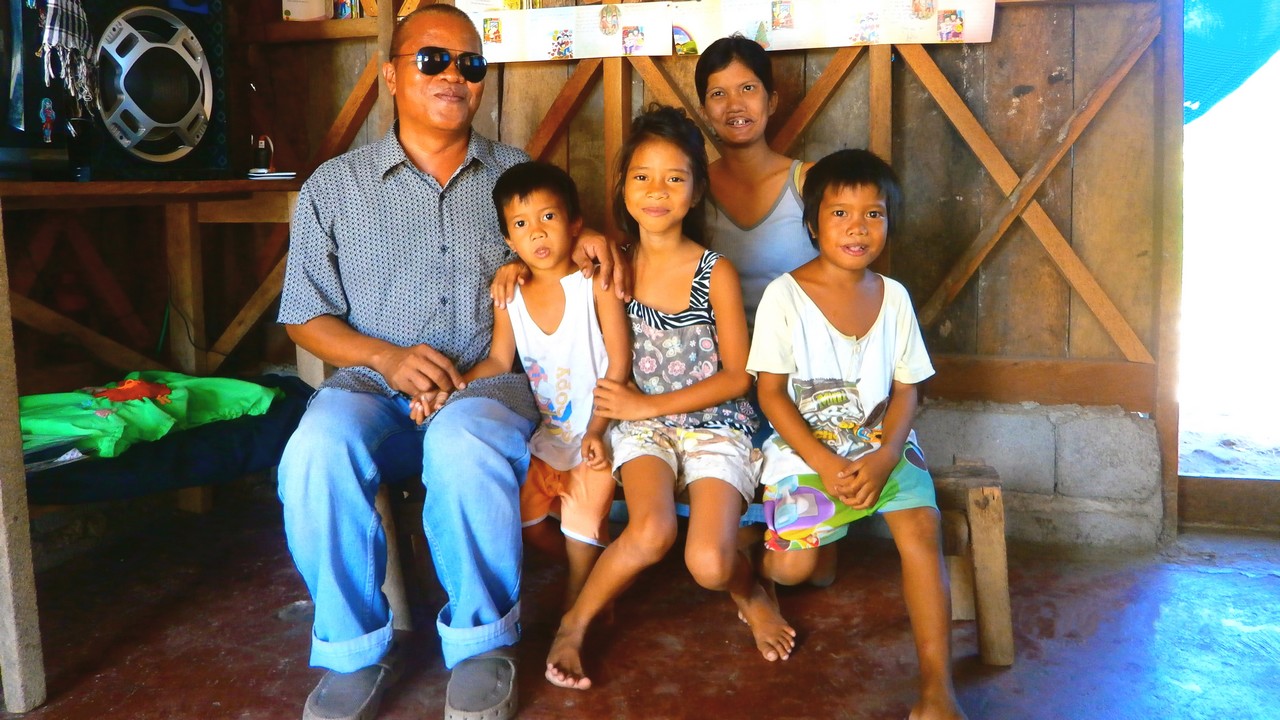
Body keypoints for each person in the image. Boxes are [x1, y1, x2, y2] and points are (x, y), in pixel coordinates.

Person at [275, 7, 623, 720]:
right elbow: (303, 314)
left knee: (462, 442)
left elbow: (563, 242)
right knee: (314, 449)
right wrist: (382, 355)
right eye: (433, 60)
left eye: (470, 64)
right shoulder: (334, 188)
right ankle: (350, 651)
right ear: (390, 75)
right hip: (371, 387)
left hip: (487, 386)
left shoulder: (516, 178)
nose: (453, 77)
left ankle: (480, 643)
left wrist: (601, 241)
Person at [543, 105, 796, 692]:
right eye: (642, 176)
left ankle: (749, 588)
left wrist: (644, 407)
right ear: (623, 187)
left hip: (715, 423)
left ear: (696, 191)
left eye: (674, 178)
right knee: (652, 530)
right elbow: (613, 364)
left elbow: (740, 376)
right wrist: (598, 430)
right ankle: (573, 625)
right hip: (642, 430)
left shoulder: (716, 272)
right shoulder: (613, 268)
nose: (657, 191)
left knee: (708, 562)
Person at [747, 149, 966, 720]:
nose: (857, 227)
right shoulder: (784, 296)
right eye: (840, 213)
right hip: (805, 449)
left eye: (874, 214)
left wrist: (889, 452)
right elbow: (771, 394)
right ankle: (761, 576)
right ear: (813, 222)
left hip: (880, 440)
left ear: (889, 224)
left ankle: (936, 689)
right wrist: (822, 462)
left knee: (922, 526)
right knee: (797, 571)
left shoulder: (893, 296)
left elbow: (907, 389)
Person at [413, 161, 631, 614]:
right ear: (509, 241)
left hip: (601, 429)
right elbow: (497, 359)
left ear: (574, 224)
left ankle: (579, 597)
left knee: (583, 522)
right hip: (548, 435)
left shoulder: (593, 284)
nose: (537, 233)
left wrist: (598, 428)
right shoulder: (510, 295)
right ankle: (599, 570)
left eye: (549, 218)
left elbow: (621, 360)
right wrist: (450, 390)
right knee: (529, 524)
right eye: (521, 224)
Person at [696, 33, 817, 327]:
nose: (734, 105)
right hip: (717, 362)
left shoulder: (808, 181)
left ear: (772, 101)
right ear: (704, 111)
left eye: (747, 88)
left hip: (798, 361)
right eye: (718, 94)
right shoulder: (691, 189)